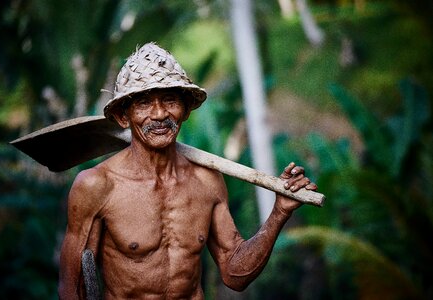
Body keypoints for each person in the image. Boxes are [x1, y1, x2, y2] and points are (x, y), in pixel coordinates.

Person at [58, 43, 317, 299]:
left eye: (170, 100)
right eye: (144, 103)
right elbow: (73, 288)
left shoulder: (207, 181)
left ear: (185, 111)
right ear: (124, 117)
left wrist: (279, 212)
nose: (159, 114)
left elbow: (234, 274)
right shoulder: (97, 186)